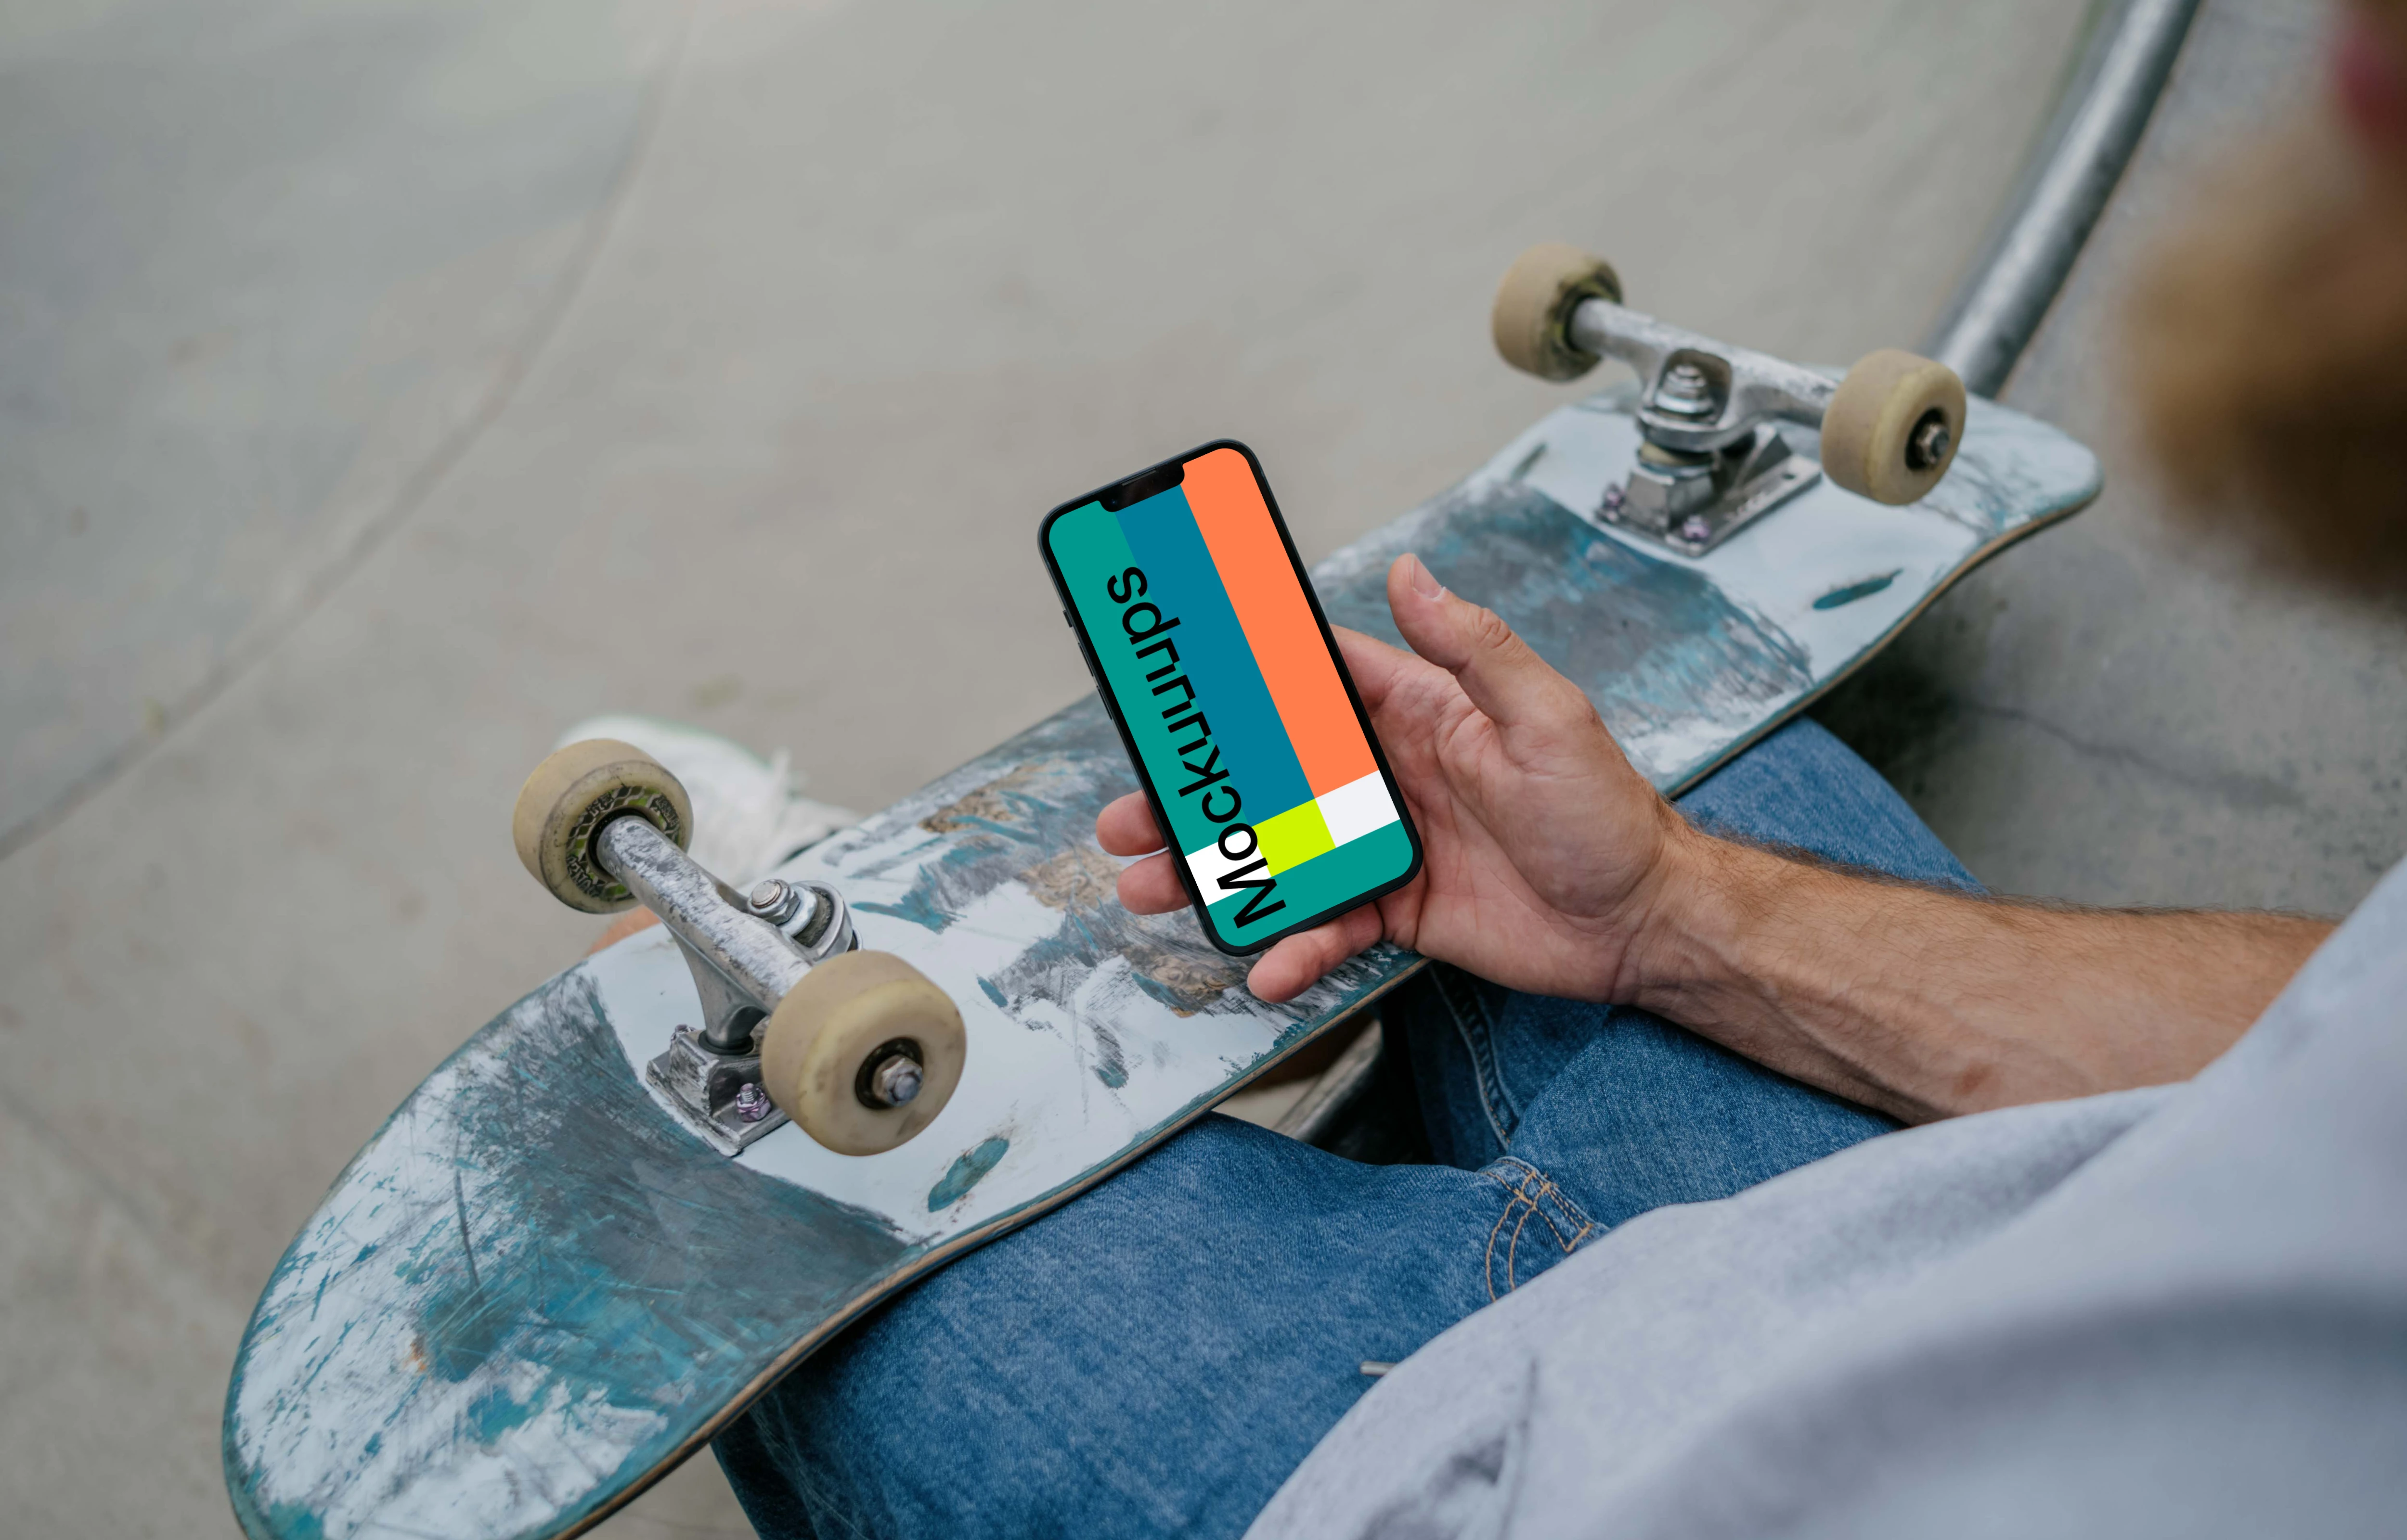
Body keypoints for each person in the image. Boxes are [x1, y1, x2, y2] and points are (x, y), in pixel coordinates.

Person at [705, 7, 2407, 1535]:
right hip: (1941, 1237)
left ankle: (762, 924)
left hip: (1478, 1482)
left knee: (768, 1182)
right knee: (1656, 762)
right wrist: (1664, 910)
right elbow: (2344, 1027)